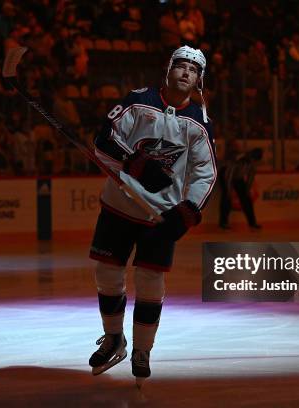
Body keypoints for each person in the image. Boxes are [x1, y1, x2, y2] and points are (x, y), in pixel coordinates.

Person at [88, 46, 216, 387]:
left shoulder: (199, 123)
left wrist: (188, 210)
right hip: (119, 205)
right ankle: (113, 339)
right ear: (168, 68)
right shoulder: (137, 101)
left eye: (193, 68)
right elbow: (103, 143)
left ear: (199, 79)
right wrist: (135, 165)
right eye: (181, 65)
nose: (186, 72)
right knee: (107, 272)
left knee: (150, 281)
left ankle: (142, 350)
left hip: (160, 215)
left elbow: (205, 173)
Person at [219, 147, 262, 230]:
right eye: (254, 160)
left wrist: (247, 189)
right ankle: (223, 223)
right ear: (251, 157)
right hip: (225, 174)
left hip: (238, 176)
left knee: (246, 199)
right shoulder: (239, 159)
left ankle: (252, 223)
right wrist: (228, 189)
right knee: (226, 197)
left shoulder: (252, 163)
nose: (254, 162)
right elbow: (229, 174)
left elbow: (251, 176)